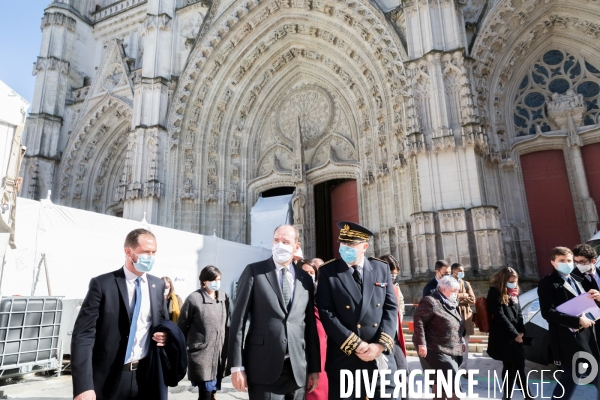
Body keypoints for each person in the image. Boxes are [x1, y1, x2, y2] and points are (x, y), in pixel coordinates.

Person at [71, 228, 168, 400]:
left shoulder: (157, 285)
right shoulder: (102, 285)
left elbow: (162, 323)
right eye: (146, 252)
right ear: (128, 252)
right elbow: (83, 336)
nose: (151, 257)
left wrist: (165, 336)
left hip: (145, 377)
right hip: (107, 379)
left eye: (154, 252)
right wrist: (83, 386)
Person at [228, 224, 320, 400]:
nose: (280, 245)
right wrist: (236, 366)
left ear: (296, 246)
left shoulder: (305, 279)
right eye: (276, 240)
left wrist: (314, 367)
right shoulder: (254, 272)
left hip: (297, 369)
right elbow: (237, 322)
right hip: (263, 367)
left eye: (286, 241)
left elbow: (309, 327)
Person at [316, 221, 398, 400]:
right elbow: (327, 313)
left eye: (351, 244)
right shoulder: (328, 272)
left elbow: (391, 308)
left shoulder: (380, 268)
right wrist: (357, 345)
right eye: (343, 244)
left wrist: (380, 345)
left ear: (364, 246)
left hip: (379, 357)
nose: (346, 248)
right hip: (345, 358)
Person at [538, 246, 600, 400]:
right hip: (568, 338)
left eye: (569, 260)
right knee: (571, 377)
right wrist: (578, 321)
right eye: (562, 261)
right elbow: (548, 313)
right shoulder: (547, 283)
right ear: (553, 262)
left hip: (587, 335)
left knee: (596, 371)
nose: (567, 263)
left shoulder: (577, 280)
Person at [177, 266, 229, 400]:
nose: (216, 282)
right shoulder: (194, 299)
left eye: (218, 279)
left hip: (219, 352)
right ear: (204, 281)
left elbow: (229, 323)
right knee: (206, 390)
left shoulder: (224, 297)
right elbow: (182, 325)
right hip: (202, 353)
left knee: (213, 390)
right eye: (213, 279)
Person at [413, 276, 466, 400]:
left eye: (456, 291)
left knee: (439, 380)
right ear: (442, 289)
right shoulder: (430, 301)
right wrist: (422, 343)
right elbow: (419, 321)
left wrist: (461, 339)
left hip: (451, 347)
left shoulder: (450, 302)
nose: (455, 294)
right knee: (451, 377)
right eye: (453, 291)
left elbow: (456, 322)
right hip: (434, 347)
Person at [486, 267, 532, 399]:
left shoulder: (513, 292)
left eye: (515, 281)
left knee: (510, 366)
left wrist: (522, 331)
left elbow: (518, 313)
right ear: (503, 280)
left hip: (516, 335)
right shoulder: (494, 293)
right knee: (518, 365)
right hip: (504, 336)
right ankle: (528, 396)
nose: (513, 283)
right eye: (510, 281)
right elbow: (499, 316)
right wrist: (514, 334)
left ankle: (507, 396)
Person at [297, 259, 328, 400]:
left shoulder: (322, 297)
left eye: (312, 273)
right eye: (305, 272)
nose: (309, 276)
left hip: (321, 360)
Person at [379, 254, 408, 371]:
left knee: (403, 372)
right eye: (391, 274)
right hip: (382, 337)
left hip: (395, 335)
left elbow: (400, 306)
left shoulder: (395, 287)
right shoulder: (374, 288)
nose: (393, 277)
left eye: (395, 275)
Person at [450, 263, 475, 369]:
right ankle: (453, 366)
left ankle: (464, 368)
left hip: (465, 316)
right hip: (452, 316)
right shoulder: (447, 283)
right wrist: (464, 295)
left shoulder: (466, 284)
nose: (462, 272)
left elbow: (473, 299)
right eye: (460, 270)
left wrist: (458, 296)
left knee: (466, 343)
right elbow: (449, 297)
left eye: (463, 270)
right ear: (453, 271)